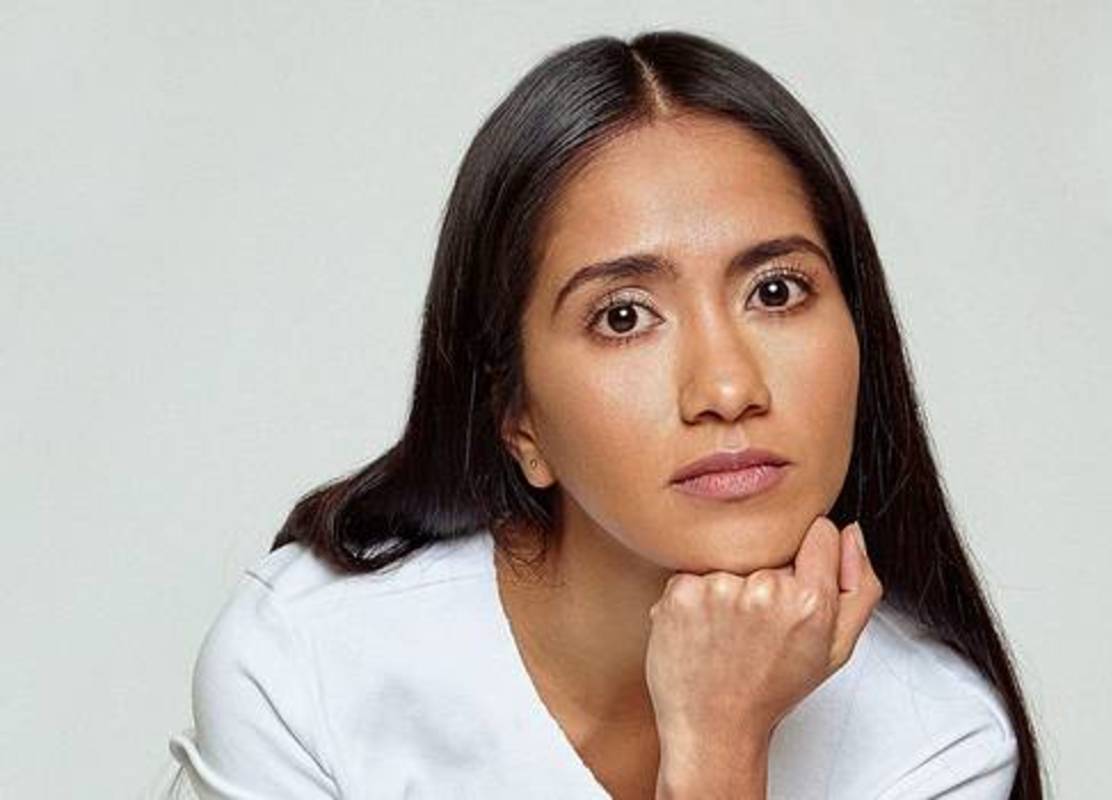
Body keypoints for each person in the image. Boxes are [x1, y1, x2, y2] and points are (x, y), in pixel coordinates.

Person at [168, 30, 1045, 799]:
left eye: (777, 292)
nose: (727, 389)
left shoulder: (933, 740)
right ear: (517, 416)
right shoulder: (311, 662)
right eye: (623, 316)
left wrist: (718, 744)